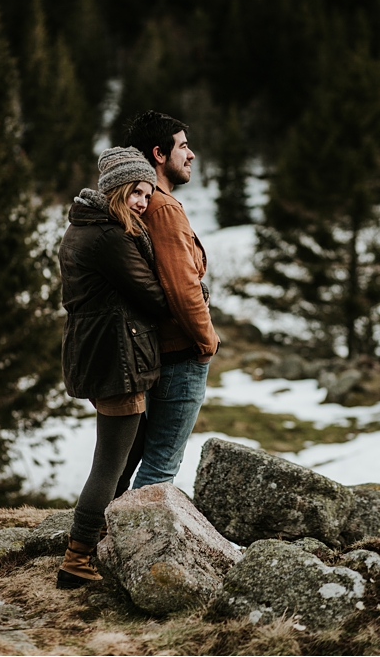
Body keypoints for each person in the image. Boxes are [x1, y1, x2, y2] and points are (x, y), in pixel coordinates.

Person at [56, 147, 170, 588]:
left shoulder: (86, 227)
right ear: (116, 190)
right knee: (109, 464)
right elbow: (154, 298)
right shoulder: (107, 236)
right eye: (137, 192)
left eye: (148, 192)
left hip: (102, 352)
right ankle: (77, 560)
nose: (143, 201)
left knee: (120, 456)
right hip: (115, 359)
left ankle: (92, 543)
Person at [126, 111, 219, 489]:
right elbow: (182, 288)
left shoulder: (146, 201)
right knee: (161, 464)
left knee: (145, 457)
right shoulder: (162, 207)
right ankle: (133, 542)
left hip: (160, 348)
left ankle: (109, 531)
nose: (191, 154)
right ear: (159, 154)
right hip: (180, 352)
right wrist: (207, 342)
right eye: (183, 146)